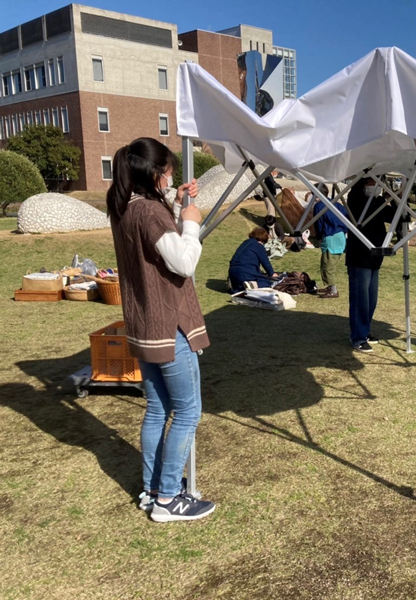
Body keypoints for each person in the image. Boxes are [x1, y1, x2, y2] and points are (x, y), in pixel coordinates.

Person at [106, 137, 215, 522]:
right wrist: (191, 224)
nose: (171, 178)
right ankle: (169, 498)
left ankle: (153, 489)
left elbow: (153, 245)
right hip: (170, 327)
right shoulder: (151, 214)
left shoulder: (124, 208)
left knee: (157, 409)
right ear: (154, 174)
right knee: (187, 412)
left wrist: (174, 200)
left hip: (144, 325)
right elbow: (183, 263)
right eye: (168, 173)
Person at [345, 177, 396, 352]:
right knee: (361, 300)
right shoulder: (355, 198)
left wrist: (396, 198)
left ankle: (365, 331)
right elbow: (365, 213)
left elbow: (397, 216)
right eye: (371, 183)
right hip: (359, 256)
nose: (374, 187)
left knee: (371, 300)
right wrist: (384, 199)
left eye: (377, 183)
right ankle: (358, 337)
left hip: (375, 257)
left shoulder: (379, 200)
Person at [313, 183, 348, 299]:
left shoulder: (319, 206)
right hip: (340, 236)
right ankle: (329, 286)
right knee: (325, 263)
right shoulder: (336, 203)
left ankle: (333, 289)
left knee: (328, 265)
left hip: (331, 237)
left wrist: (318, 236)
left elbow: (319, 223)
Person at [228, 226, 283, 292]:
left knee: (241, 281)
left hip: (232, 272)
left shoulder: (245, 243)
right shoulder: (258, 246)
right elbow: (265, 263)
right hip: (246, 272)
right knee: (266, 282)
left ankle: (235, 284)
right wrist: (272, 274)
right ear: (263, 239)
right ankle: (253, 285)